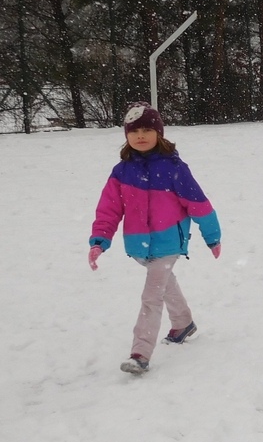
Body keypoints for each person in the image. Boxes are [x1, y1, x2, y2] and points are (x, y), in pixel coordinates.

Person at [89, 103, 222, 374]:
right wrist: (99, 241)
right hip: (138, 244)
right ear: (126, 135)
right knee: (164, 283)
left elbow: (199, 204)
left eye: (147, 130)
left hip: (169, 241)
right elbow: (109, 209)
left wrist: (212, 237)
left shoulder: (174, 168)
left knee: (152, 295)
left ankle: (140, 352)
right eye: (134, 131)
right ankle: (183, 324)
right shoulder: (121, 172)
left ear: (158, 133)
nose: (140, 136)